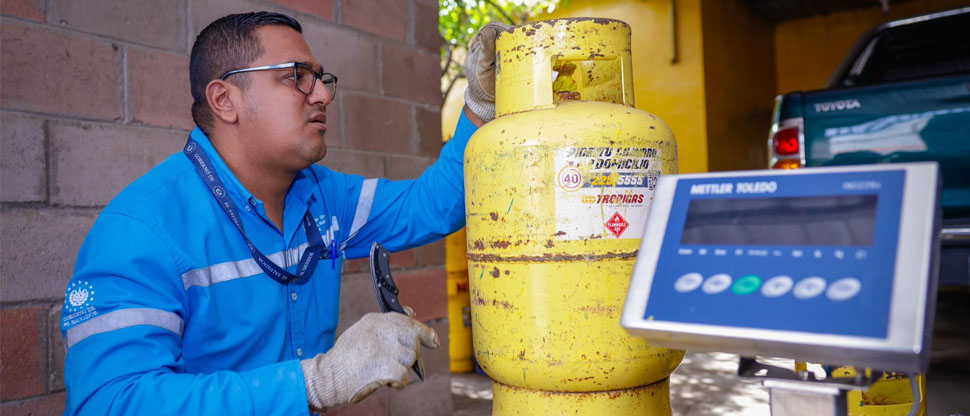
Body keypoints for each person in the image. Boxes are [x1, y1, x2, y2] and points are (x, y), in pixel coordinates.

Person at [59, 12, 503, 415]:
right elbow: (110, 403)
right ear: (224, 99)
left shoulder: (323, 197)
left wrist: (480, 108)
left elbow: (433, 205)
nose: (324, 94)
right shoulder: (139, 232)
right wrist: (314, 383)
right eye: (297, 77)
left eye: (321, 77)